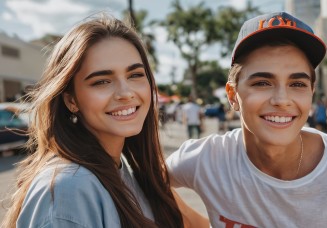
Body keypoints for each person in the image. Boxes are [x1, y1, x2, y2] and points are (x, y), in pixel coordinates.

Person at [166, 11, 327, 227]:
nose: (282, 100)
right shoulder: (208, 159)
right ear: (233, 96)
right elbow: (144, 181)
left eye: (297, 84)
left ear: (311, 93)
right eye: (262, 82)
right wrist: (196, 223)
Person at [1, 14, 208, 228]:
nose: (125, 93)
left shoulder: (123, 169)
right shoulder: (69, 189)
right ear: (71, 100)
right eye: (101, 81)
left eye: (135, 75)